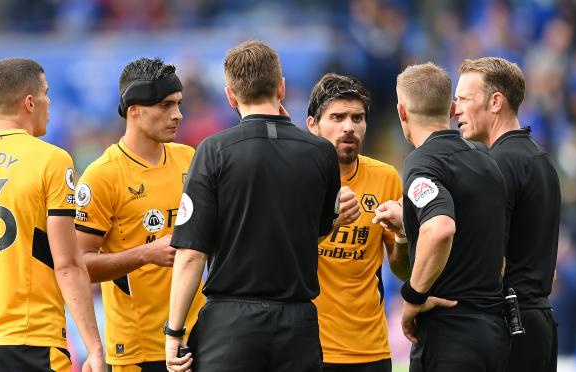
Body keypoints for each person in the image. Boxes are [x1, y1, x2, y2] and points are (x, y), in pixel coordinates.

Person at [163, 40, 360, 372]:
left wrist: (174, 331)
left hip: (231, 325)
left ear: (230, 95)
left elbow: (191, 253)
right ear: (281, 88)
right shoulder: (320, 152)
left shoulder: (213, 151)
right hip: (298, 325)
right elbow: (319, 231)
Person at [0, 58, 104, 372]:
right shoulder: (52, 161)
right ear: (30, 102)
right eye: (46, 92)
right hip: (31, 338)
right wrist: (94, 348)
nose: (49, 101)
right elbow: (67, 264)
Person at [374, 62, 510, 372]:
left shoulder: (422, 163)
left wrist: (412, 297)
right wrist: (408, 225)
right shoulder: (486, 162)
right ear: (450, 109)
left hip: (450, 335)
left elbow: (441, 228)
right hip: (494, 334)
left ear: (402, 112)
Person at [74, 58, 205, 372]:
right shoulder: (102, 176)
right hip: (140, 350)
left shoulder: (190, 159)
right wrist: (146, 253)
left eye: (178, 104)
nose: (178, 115)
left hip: (199, 336)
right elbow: (78, 266)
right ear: (135, 110)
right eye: (165, 105)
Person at [455, 57, 560, 372]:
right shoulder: (540, 160)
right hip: (539, 321)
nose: (455, 109)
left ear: (496, 101)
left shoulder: (496, 165)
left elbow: (490, 261)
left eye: (463, 99)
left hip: (510, 327)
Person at [306, 73, 410, 372]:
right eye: (337, 117)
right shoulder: (295, 179)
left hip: (370, 350)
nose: (349, 127)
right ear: (313, 125)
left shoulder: (386, 177)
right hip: (311, 348)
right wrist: (331, 224)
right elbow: (278, 260)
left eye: (357, 118)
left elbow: (402, 270)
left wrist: (402, 235)